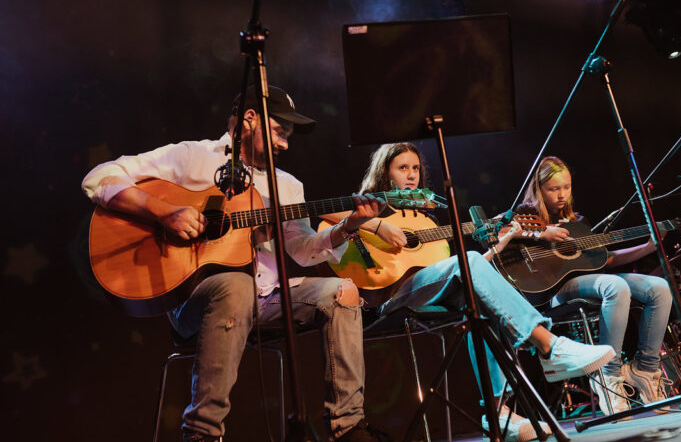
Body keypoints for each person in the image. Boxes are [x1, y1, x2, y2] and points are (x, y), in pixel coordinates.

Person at [82, 85, 389, 442]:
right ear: (249, 119)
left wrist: (348, 227)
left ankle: (348, 427)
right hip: (195, 299)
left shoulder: (287, 185)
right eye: (279, 132)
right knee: (235, 284)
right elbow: (98, 177)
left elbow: (303, 251)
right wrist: (166, 213)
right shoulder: (191, 157)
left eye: (288, 137)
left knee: (343, 292)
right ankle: (203, 435)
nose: (285, 145)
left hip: (268, 300)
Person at [322, 143, 616, 442]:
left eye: (415, 168)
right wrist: (379, 226)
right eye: (402, 168)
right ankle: (550, 348)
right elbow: (325, 211)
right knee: (471, 266)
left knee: (483, 298)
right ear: (385, 172)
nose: (411, 175)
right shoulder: (372, 205)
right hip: (389, 296)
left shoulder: (422, 219)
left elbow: (462, 271)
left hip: (430, 290)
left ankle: (501, 415)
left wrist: (500, 244)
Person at [518, 156, 673, 415]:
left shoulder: (578, 222)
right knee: (614, 286)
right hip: (552, 292)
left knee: (659, 287)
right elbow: (496, 232)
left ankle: (645, 369)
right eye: (554, 189)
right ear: (538, 189)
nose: (562, 195)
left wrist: (648, 247)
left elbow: (605, 259)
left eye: (566, 187)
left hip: (590, 282)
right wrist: (543, 233)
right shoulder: (526, 215)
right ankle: (608, 374)